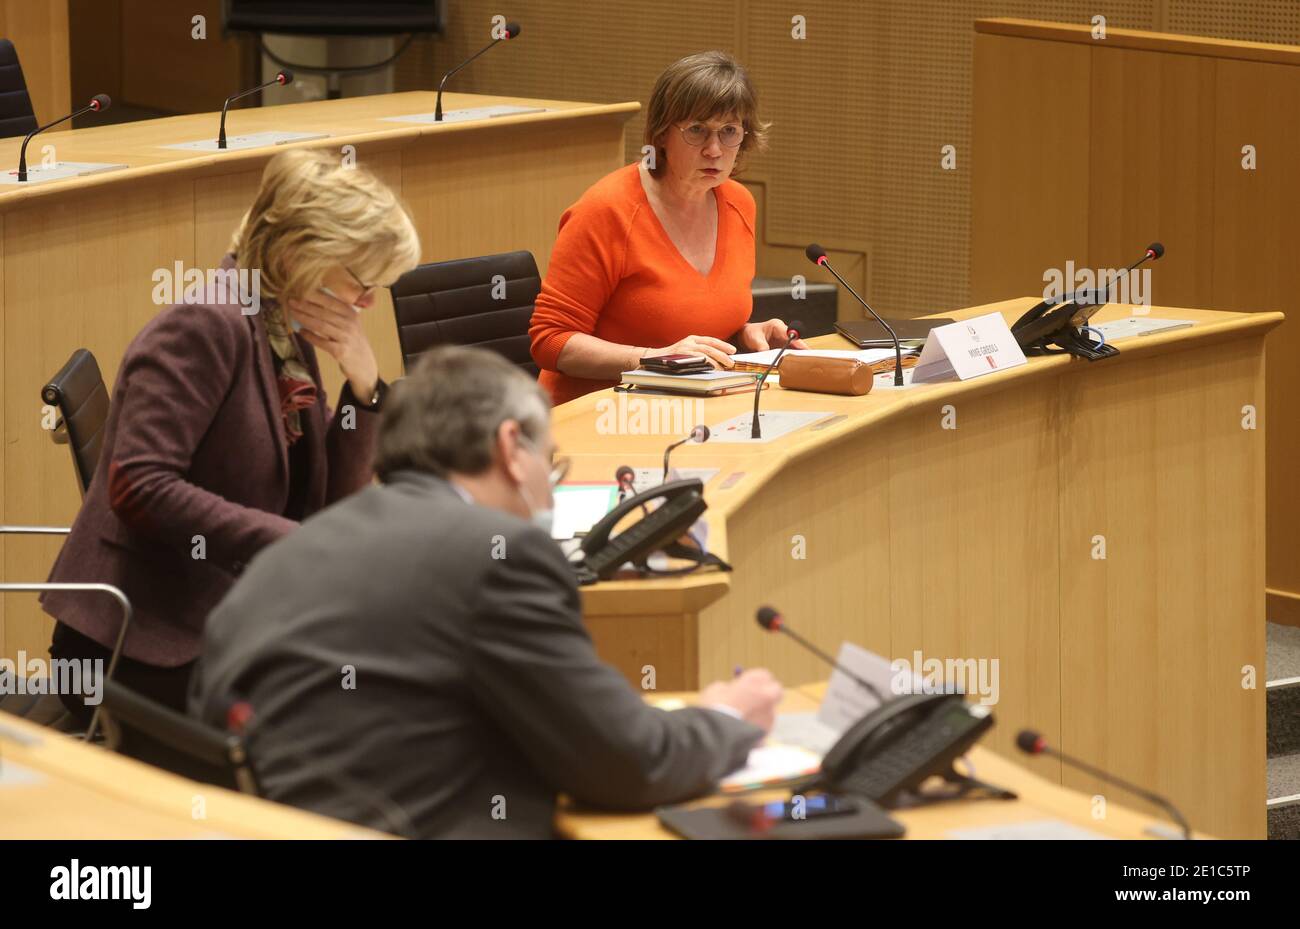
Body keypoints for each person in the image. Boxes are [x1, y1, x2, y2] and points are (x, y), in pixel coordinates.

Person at [190, 345, 783, 838]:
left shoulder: (293, 548)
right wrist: (727, 716)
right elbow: (628, 763)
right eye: (549, 465)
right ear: (509, 447)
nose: (549, 497)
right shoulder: (500, 556)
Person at [42, 148, 421, 729]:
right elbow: (140, 485)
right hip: (142, 638)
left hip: (224, 609)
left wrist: (365, 383)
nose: (368, 303)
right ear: (302, 257)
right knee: (363, 708)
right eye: (364, 283)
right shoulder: (204, 324)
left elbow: (331, 498)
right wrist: (289, 543)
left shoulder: (281, 330)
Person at [529, 50, 807, 406]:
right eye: (696, 130)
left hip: (693, 407)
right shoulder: (606, 210)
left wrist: (746, 334)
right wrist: (651, 358)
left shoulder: (739, 204)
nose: (714, 149)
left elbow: (691, 319)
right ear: (661, 134)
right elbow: (550, 341)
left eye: (729, 132)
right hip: (599, 414)